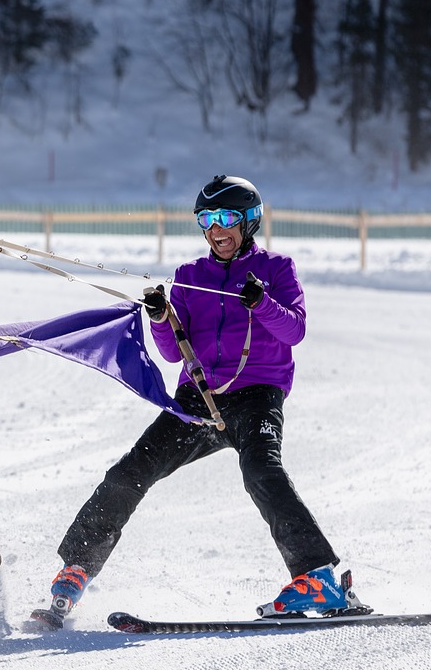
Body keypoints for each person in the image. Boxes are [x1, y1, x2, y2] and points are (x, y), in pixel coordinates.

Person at [34, 174, 361, 628]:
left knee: (261, 471)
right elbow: (172, 352)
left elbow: (295, 331)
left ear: (248, 222)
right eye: (206, 219)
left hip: (256, 398)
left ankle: (317, 577)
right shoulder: (189, 277)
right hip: (198, 400)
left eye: (225, 218)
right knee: (131, 471)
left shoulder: (277, 269)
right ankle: (76, 568)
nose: (214, 229)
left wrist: (262, 302)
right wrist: (161, 318)